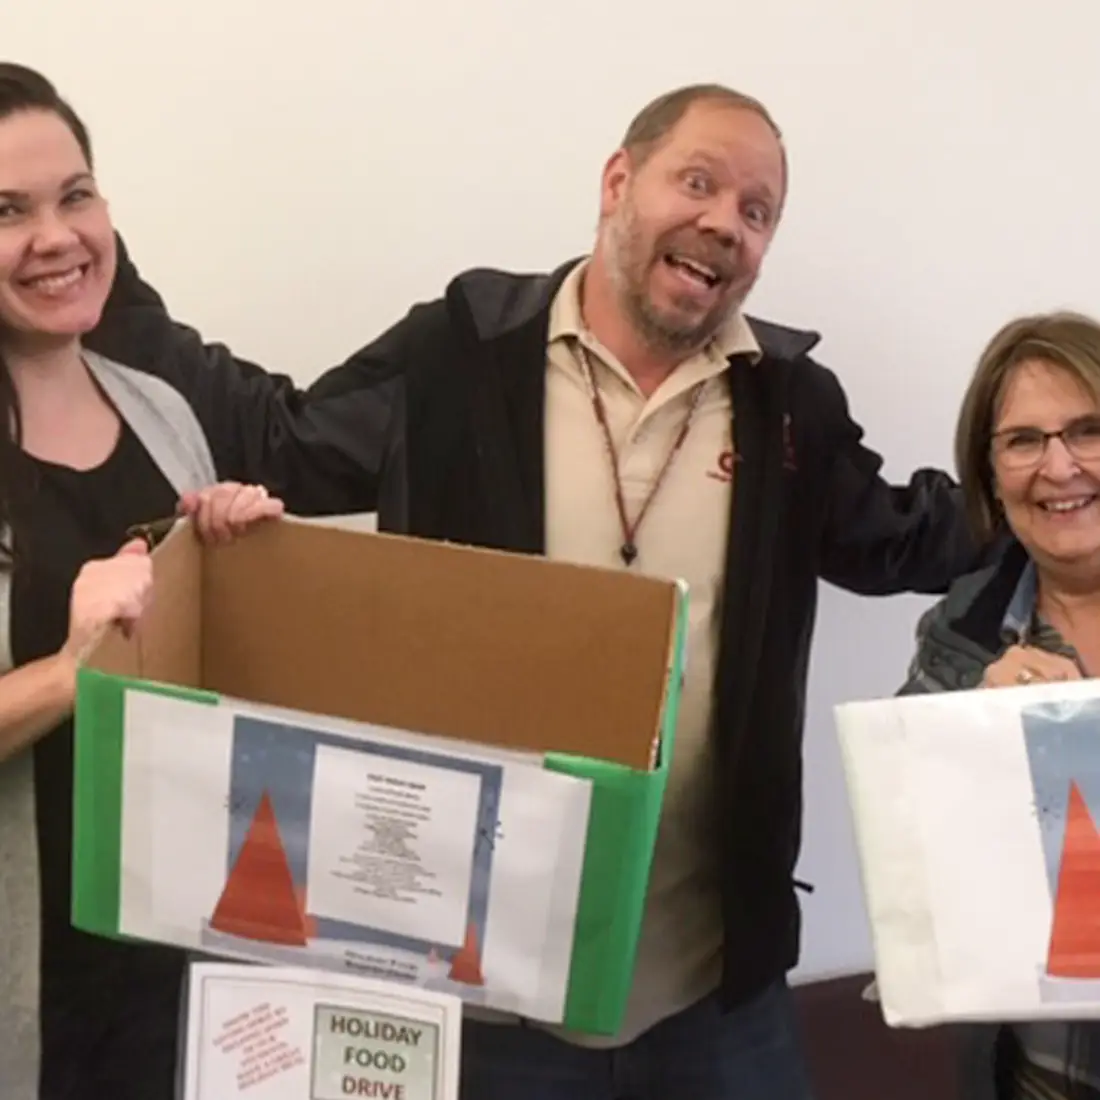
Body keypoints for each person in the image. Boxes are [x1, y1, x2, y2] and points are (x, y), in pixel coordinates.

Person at [85, 83, 986, 1099]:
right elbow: (278, 436)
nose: (722, 222)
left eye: (755, 209)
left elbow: (897, 540)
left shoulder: (786, 402)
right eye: (696, 181)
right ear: (616, 181)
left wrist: (1060, 481)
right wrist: (95, 269)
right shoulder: (460, 353)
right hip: (488, 983)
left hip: (711, 989)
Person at [0, 64, 293, 1100]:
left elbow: (204, 688)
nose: (56, 236)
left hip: (175, 979)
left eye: (74, 194)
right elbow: (90, 668)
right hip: (26, 993)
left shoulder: (164, 412)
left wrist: (234, 566)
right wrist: (70, 669)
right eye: (8, 210)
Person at [901, 311, 1100, 1100]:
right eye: (1023, 440)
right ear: (987, 472)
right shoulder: (962, 634)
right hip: (1041, 1077)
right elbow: (911, 872)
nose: (1059, 468)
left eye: (1088, 431)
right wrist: (970, 739)